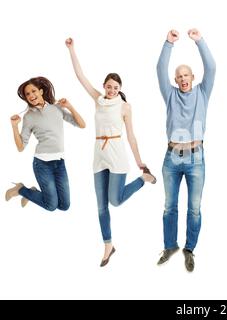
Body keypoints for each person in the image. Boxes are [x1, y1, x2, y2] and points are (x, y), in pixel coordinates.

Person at [65, 37, 157, 267]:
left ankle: (143, 180)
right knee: (100, 205)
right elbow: (80, 77)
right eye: (108, 86)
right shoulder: (98, 100)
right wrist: (72, 49)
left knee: (115, 200)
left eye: (116, 87)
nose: (111, 89)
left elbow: (131, 136)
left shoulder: (125, 107)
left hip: (117, 154)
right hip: (99, 154)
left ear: (120, 89)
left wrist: (140, 162)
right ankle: (108, 244)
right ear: (104, 86)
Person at [156, 29, 215, 272]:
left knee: (194, 207)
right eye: (178, 76)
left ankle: (189, 249)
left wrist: (199, 40)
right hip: (171, 157)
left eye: (186, 75)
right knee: (170, 206)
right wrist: (168, 43)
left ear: (192, 77)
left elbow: (211, 67)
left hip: (195, 157)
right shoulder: (169, 94)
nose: (182, 79)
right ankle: (170, 246)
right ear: (175, 80)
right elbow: (160, 68)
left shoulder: (202, 92)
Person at [6, 77, 85, 212]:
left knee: (64, 206)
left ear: (41, 91)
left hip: (59, 163)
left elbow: (82, 125)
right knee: (51, 206)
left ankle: (31, 194)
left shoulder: (57, 108)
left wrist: (70, 107)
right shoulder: (29, 117)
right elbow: (20, 147)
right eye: (27, 94)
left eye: (33, 91)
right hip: (42, 164)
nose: (31, 95)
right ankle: (21, 190)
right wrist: (14, 127)